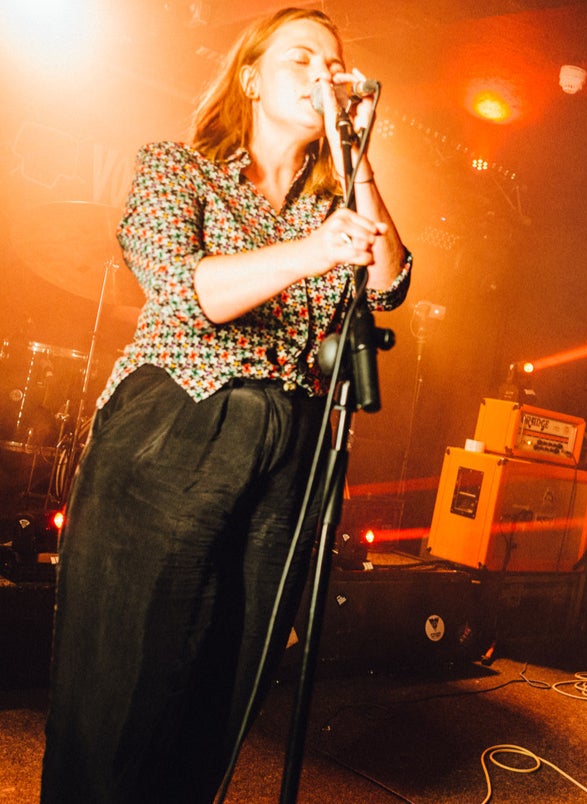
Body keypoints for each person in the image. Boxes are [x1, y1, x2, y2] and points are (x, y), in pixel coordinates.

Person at [40, 8, 411, 802]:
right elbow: (185, 288)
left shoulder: (333, 202)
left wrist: (358, 157)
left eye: (334, 63)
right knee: (124, 696)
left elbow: (390, 280)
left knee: (224, 691)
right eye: (301, 56)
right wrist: (314, 252)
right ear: (249, 77)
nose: (323, 72)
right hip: (177, 426)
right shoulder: (177, 167)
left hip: (285, 453)